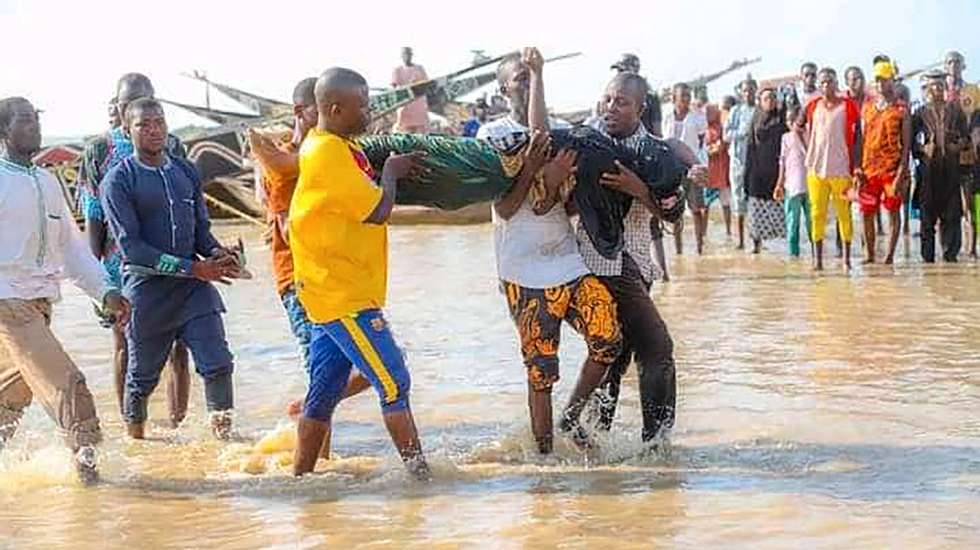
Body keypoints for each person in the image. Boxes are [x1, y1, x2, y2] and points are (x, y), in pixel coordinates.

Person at [476, 49, 623, 454]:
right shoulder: (492, 136)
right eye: (520, 78)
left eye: (532, 76)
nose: (528, 82)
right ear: (504, 88)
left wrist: (561, 182)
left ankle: (570, 417)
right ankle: (544, 460)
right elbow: (505, 208)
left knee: (608, 337)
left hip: (567, 260)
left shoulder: (560, 131)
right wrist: (534, 170)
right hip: (522, 269)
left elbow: (573, 206)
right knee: (541, 371)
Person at [288, 67, 430, 478]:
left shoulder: (336, 146)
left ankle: (300, 481)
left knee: (324, 393)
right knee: (394, 380)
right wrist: (392, 173)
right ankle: (421, 479)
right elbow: (378, 209)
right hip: (341, 294)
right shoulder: (327, 152)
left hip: (331, 289)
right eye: (363, 105)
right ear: (334, 108)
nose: (369, 112)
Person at [0, 97, 131, 485]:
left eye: (36, 119)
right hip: (8, 302)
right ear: (4, 131)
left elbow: (71, 250)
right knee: (69, 385)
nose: (34, 128)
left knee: (10, 397)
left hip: (40, 303)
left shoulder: (46, 180)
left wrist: (105, 291)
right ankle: (92, 485)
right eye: (24, 121)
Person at [101, 98, 240, 440]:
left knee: (218, 364)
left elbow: (200, 233)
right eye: (143, 124)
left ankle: (224, 445)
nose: (154, 130)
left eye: (159, 122)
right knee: (141, 380)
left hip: (194, 291)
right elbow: (132, 248)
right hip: (148, 291)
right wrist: (194, 268)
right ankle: (137, 445)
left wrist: (220, 254)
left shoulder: (185, 171)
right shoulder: (118, 181)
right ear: (126, 130)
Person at [582, 72, 690, 445]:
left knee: (614, 353)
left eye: (621, 102)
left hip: (639, 264)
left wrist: (637, 188)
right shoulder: (589, 143)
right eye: (608, 99)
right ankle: (656, 445)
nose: (611, 107)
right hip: (603, 263)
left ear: (640, 109)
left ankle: (593, 444)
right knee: (658, 348)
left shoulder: (655, 153)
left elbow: (673, 215)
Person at [77, 73, 190, 426]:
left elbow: (188, 204)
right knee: (124, 344)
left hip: (171, 259)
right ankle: (132, 426)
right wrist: (95, 277)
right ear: (120, 109)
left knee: (178, 347)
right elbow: (93, 214)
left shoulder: (174, 146)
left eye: (148, 101)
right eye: (130, 104)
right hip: (118, 265)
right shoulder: (99, 150)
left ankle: (178, 425)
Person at [804, 68, 861, 271]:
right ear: (819, 86)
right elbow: (803, 130)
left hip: (841, 169)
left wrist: (857, 167)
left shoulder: (848, 107)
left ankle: (846, 260)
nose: (826, 85)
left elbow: (857, 139)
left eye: (830, 81)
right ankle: (817, 260)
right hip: (816, 170)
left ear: (836, 84)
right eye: (823, 82)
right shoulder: (812, 107)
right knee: (817, 214)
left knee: (843, 214)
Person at [856, 60, 911, 265]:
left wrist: (901, 173)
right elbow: (861, 139)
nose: (879, 84)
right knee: (866, 213)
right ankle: (869, 255)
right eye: (877, 80)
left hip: (891, 169)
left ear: (892, 80)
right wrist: (858, 169)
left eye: (884, 80)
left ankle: (888, 257)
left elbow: (906, 146)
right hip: (869, 170)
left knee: (893, 213)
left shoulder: (901, 109)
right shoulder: (868, 107)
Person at [914, 71, 971, 262]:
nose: (936, 89)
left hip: (951, 170)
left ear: (945, 88)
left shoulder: (956, 111)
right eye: (932, 86)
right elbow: (910, 142)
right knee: (927, 218)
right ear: (927, 89)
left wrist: (958, 145)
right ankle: (928, 260)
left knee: (952, 215)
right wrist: (922, 148)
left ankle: (950, 257)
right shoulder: (920, 112)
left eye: (939, 85)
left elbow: (966, 137)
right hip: (928, 172)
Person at [663, 82, 708, 254]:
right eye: (683, 96)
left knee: (696, 209)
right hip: (672, 169)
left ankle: (699, 249)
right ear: (674, 98)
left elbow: (701, 140)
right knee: (675, 211)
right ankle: (678, 251)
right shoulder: (667, 116)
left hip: (692, 167)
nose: (687, 99)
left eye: (688, 96)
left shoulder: (697, 117)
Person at [943, 51, 979, 257]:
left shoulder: (972, 90)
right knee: (945, 204)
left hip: (966, 154)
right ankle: (948, 248)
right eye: (949, 62)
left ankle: (972, 248)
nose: (953, 65)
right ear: (945, 66)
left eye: (957, 62)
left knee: (969, 203)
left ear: (963, 66)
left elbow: (977, 120)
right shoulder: (938, 91)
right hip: (943, 157)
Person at [744, 88, 788, 253]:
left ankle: (782, 249)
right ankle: (756, 245)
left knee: (778, 212)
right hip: (757, 170)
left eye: (772, 98)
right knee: (756, 211)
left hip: (777, 171)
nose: (770, 101)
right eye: (766, 98)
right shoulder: (755, 119)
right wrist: (746, 175)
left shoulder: (781, 119)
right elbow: (750, 147)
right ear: (760, 101)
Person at [724, 76, 758, 249]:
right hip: (738, 162)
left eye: (751, 89)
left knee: (755, 201)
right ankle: (740, 241)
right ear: (741, 92)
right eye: (745, 90)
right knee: (738, 200)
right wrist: (741, 132)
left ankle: (756, 241)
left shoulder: (760, 110)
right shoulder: (736, 111)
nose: (749, 93)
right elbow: (726, 135)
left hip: (757, 164)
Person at [775, 106, 812, 258]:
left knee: (813, 223)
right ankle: (793, 255)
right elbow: (782, 163)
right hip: (792, 186)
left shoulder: (810, 135)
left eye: (794, 120)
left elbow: (811, 154)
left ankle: (816, 253)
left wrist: (801, 136)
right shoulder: (785, 138)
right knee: (792, 223)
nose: (791, 123)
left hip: (811, 185)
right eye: (788, 121)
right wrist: (779, 183)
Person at [611, 53, 662, 137]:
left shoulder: (649, 97)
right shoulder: (611, 97)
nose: (617, 74)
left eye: (620, 71)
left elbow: (657, 131)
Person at [704, 103, 733, 237]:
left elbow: (725, 145)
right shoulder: (703, 129)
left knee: (726, 204)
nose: (710, 115)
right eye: (708, 113)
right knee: (705, 206)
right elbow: (705, 150)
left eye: (712, 112)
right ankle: (703, 233)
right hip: (708, 175)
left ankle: (728, 232)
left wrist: (717, 147)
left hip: (723, 173)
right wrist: (714, 148)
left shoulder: (723, 127)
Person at [391, 47, 430, 134]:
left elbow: (426, 83)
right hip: (405, 104)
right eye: (405, 54)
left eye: (409, 54)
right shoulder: (397, 70)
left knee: (420, 133)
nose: (407, 56)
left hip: (419, 104)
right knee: (404, 131)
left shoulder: (419, 68)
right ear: (401, 56)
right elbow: (394, 87)